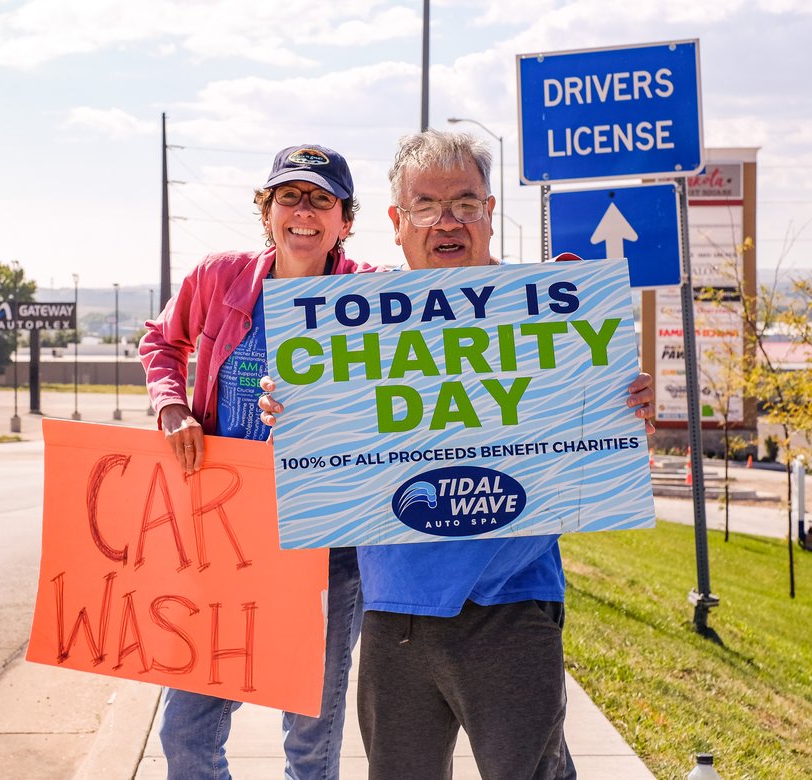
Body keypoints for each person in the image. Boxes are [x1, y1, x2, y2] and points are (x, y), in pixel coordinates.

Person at [260, 130, 656, 780]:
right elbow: (325, 453)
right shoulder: (348, 324)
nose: (447, 222)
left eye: (465, 203)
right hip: (394, 612)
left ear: (490, 212)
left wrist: (623, 399)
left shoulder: (548, 309)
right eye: (425, 206)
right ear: (396, 221)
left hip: (512, 606)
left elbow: (596, 420)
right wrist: (293, 410)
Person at [139, 144, 374, 780]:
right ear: (267, 211)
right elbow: (161, 340)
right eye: (288, 196)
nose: (304, 211)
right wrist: (172, 407)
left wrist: (565, 300)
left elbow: (472, 318)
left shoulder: (372, 293)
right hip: (226, 535)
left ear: (345, 220)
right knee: (185, 732)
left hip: (327, 543)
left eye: (321, 199)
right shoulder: (220, 278)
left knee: (309, 740)